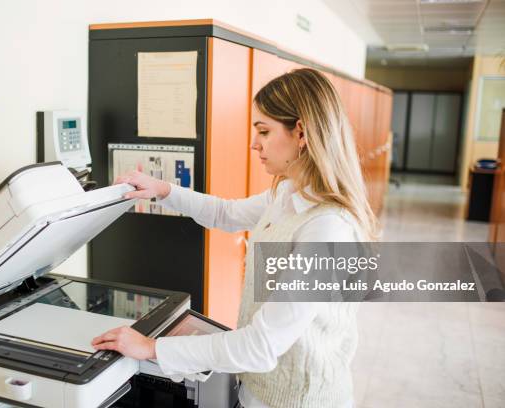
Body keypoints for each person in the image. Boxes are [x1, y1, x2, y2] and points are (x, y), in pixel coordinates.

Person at [91, 68, 379, 408]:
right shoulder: (288, 193)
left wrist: (152, 348)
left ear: (301, 133)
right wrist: (163, 190)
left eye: (264, 131)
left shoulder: (326, 229)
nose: (254, 143)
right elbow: (225, 213)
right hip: (258, 391)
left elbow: (261, 345)